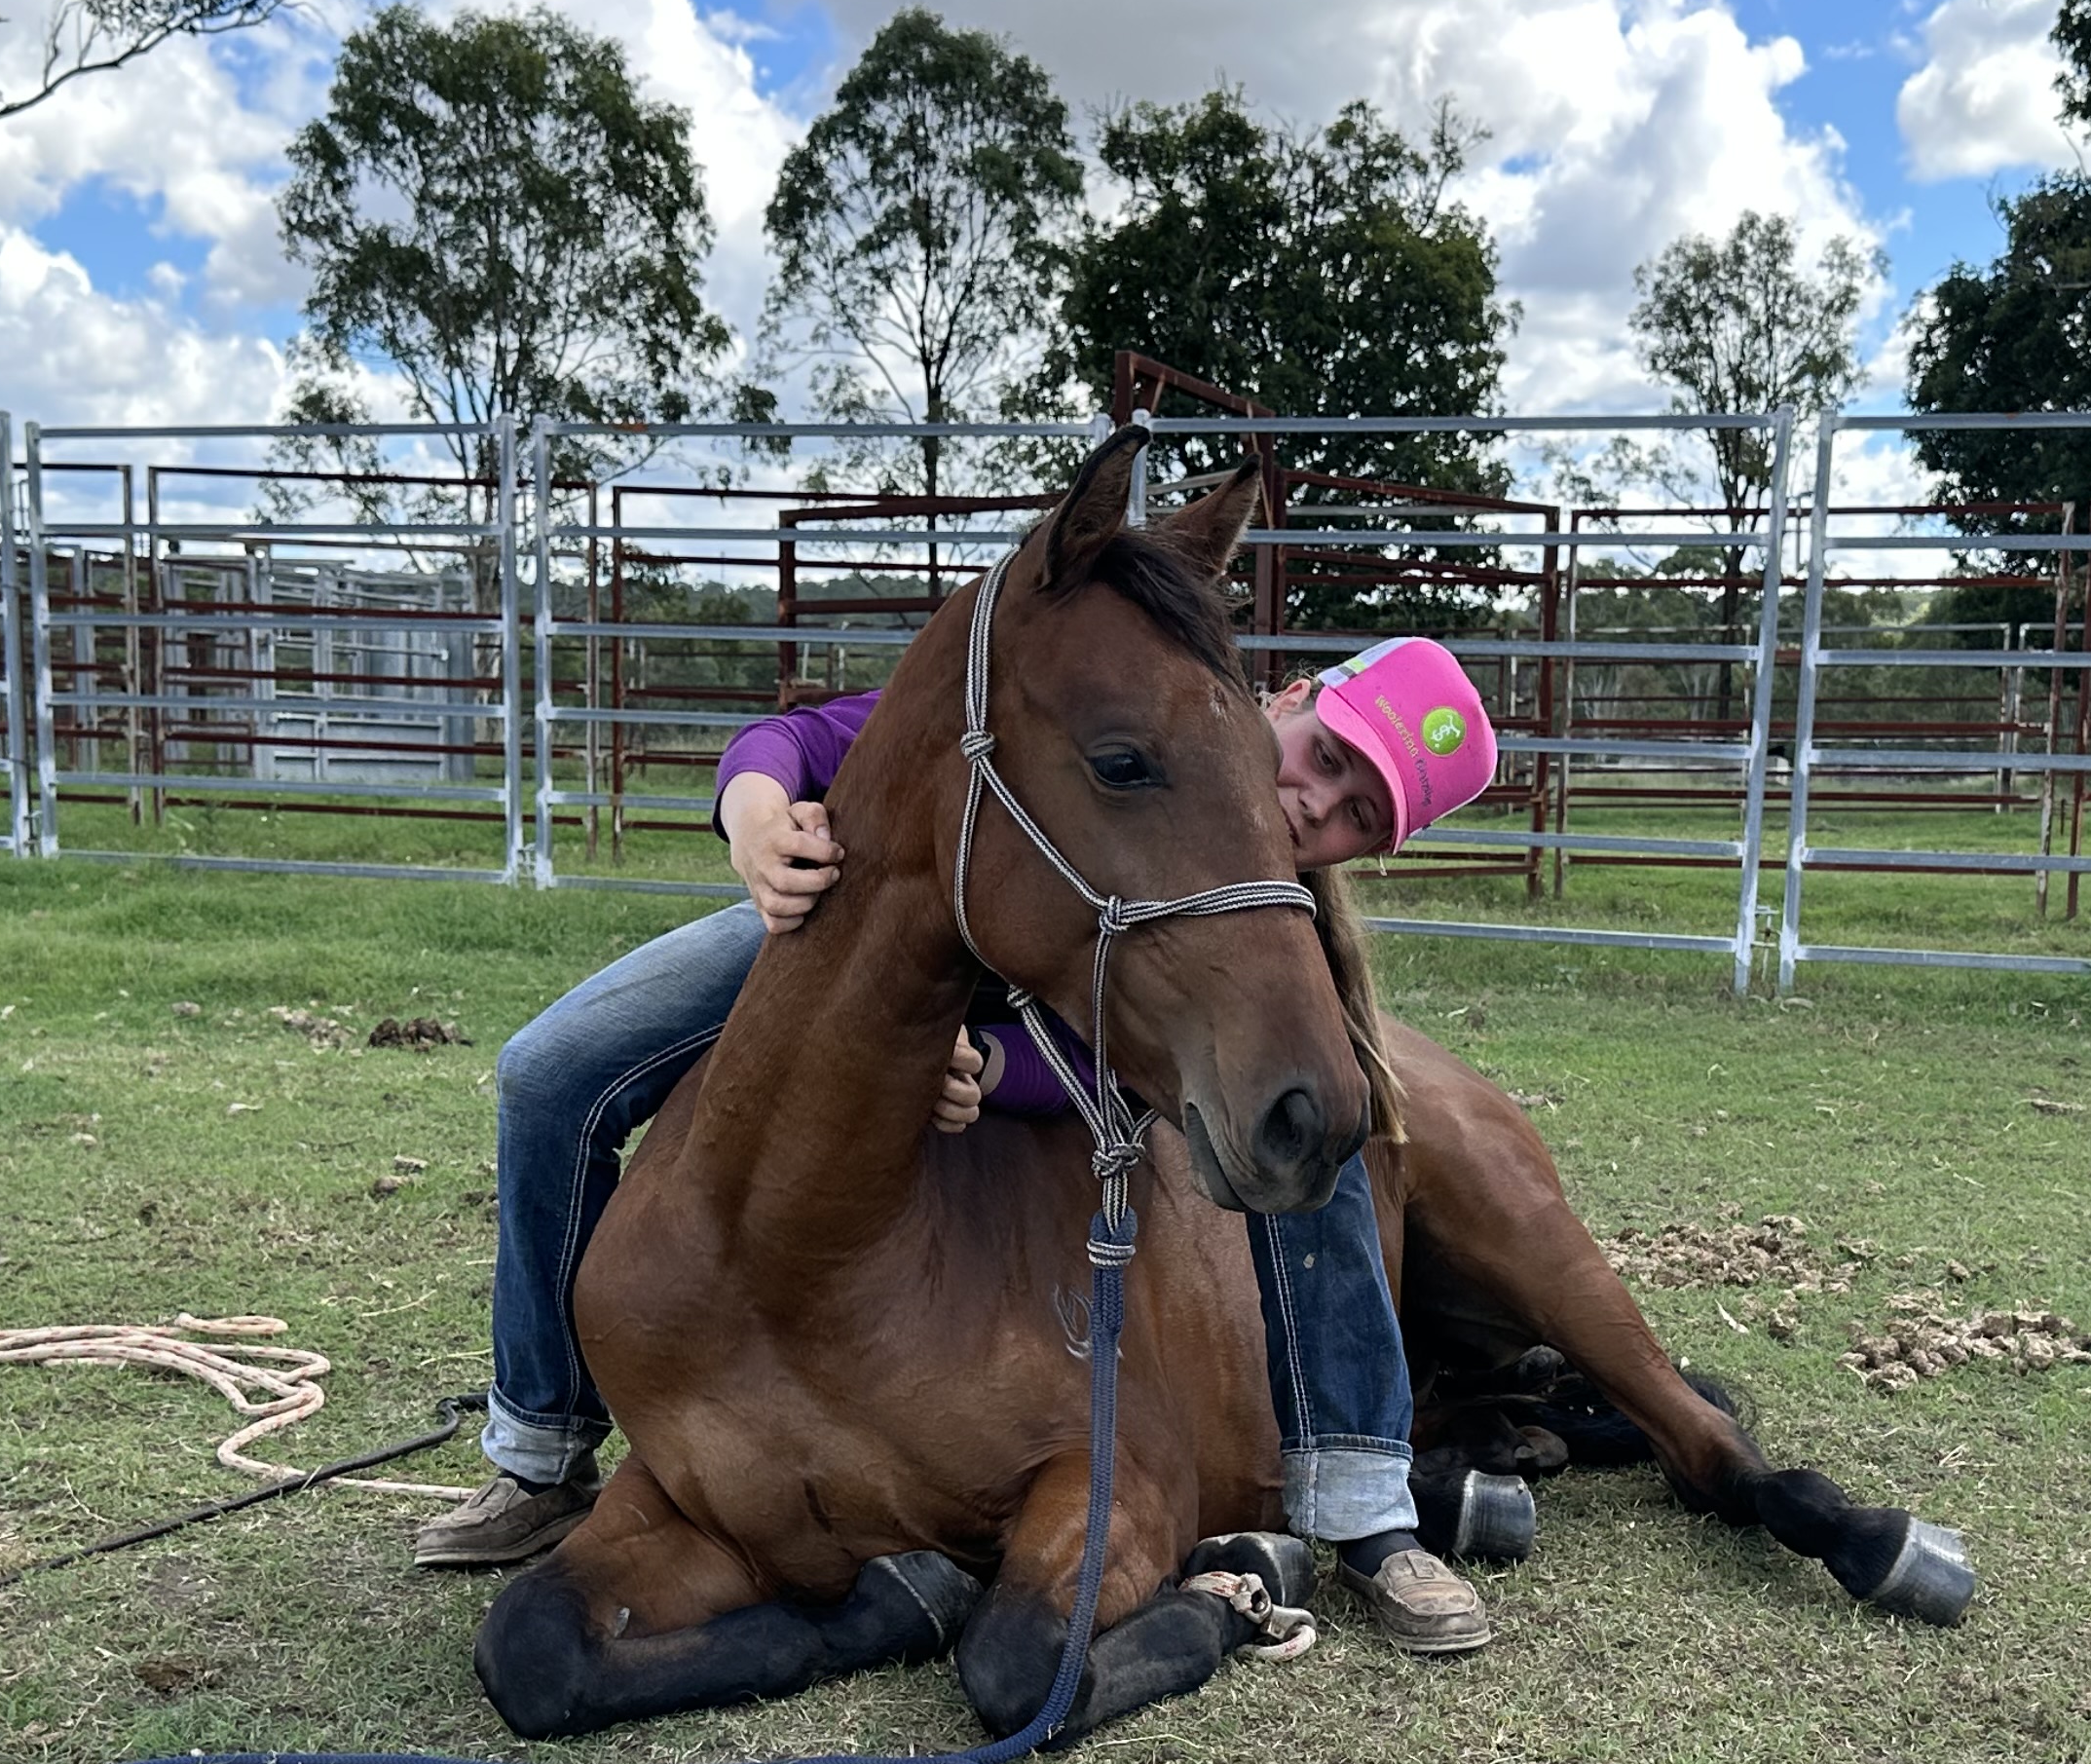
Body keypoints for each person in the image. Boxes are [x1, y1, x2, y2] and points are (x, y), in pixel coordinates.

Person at [417, 633, 1508, 1652]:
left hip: (1030, 1003)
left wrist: (997, 1066)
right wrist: (754, 813)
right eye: (1326, 757)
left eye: (1357, 817)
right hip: (860, 948)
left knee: (1318, 1122)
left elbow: (1130, 1060)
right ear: (1291, 698)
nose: (1313, 802)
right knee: (549, 1074)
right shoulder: (1143, 733)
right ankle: (541, 1446)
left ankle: (1366, 1504)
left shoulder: (1253, 906)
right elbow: (809, 737)